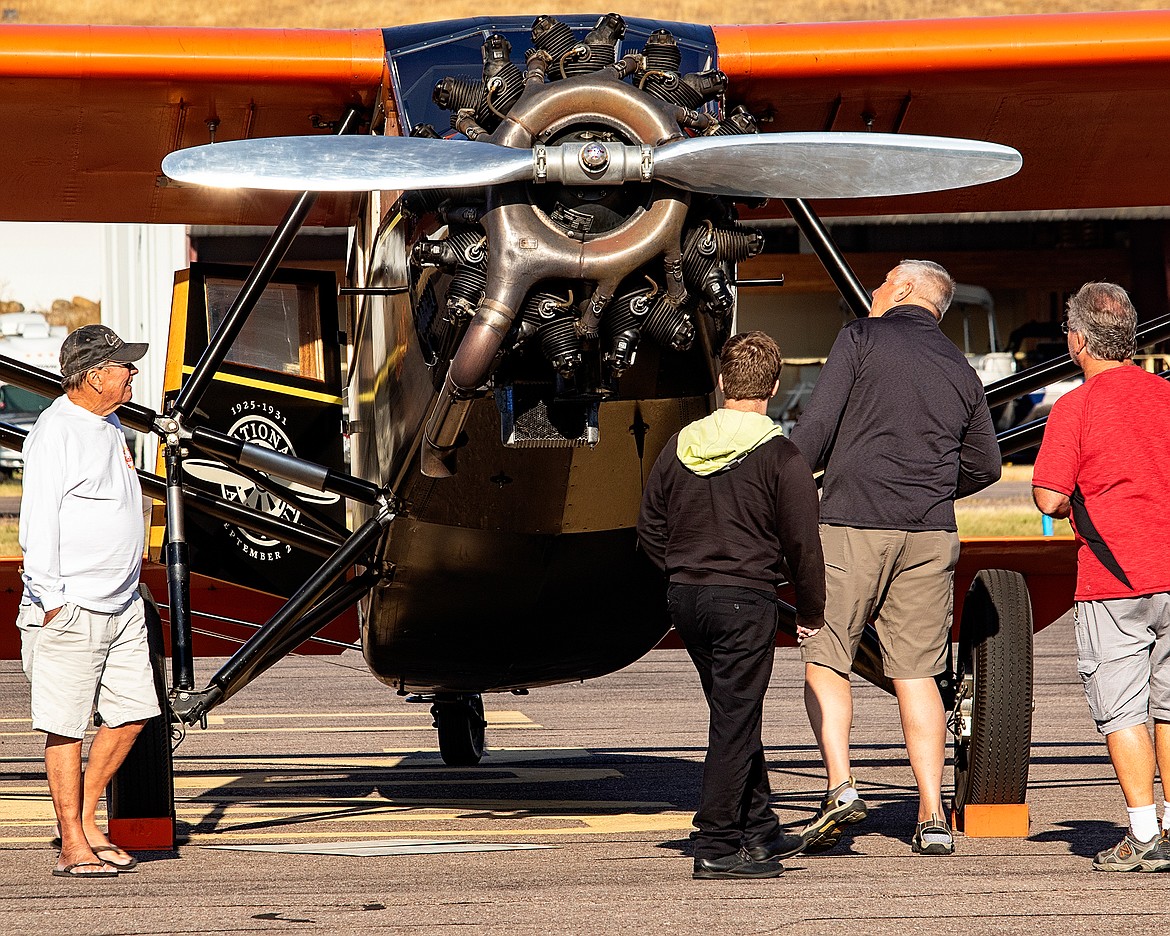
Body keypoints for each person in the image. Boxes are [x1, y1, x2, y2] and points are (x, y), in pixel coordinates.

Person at [790, 260, 1001, 857]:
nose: (875, 291)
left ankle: (839, 787)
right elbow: (984, 465)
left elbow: (815, 432)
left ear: (905, 290)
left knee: (827, 655)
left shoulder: (860, 336)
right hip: (930, 533)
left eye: (882, 283)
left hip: (854, 523)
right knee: (917, 674)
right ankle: (933, 816)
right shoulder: (962, 369)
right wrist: (930, 487)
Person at [638, 331, 826, 880]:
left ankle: (760, 829)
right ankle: (717, 843)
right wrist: (812, 611)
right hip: (744, 599)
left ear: (721, 381)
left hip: (688, 599)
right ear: (773, 386)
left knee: (732, 713)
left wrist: (680, 571)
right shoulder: (782, 456)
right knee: (735, 719)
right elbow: (802, 545)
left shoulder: (679, 447)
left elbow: (649, 528)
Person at [1032, 282, 1170, 872]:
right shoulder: (1166, 395)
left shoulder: (1076, 407)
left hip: (1114, 579)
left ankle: (1143, 832)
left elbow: (1047, 496)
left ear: (1079, 340)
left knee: (1122, 707)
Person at [17, 324, 157, 878]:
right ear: (95, 374)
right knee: (66, 724)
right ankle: (73, 843)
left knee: (132, 713)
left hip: (121, 602)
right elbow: (38, 523)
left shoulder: (109, 422)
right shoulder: (56, 434)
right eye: (124, 366)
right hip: (71, 604)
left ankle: (86, 818)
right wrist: (52, 600)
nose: (133, 374)